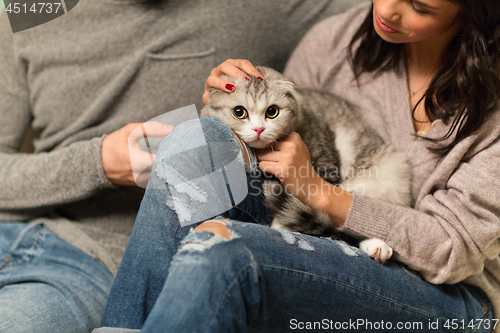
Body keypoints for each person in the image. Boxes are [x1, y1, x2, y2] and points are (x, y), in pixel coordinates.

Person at [97, 0, 500, 332]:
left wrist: (318, 191)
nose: (388, 9)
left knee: (226, 252)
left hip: (451, 296)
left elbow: (453, 250)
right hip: (319, 227)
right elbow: (274, 130)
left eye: (419, 6)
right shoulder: (334, 41)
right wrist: (222, 108)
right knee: (196, 140)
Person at [0, 0, 363, 332]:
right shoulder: (28, 12)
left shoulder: (265, 7)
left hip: (102, 265)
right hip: (17, 231)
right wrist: (97, 163)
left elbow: (393, 19)